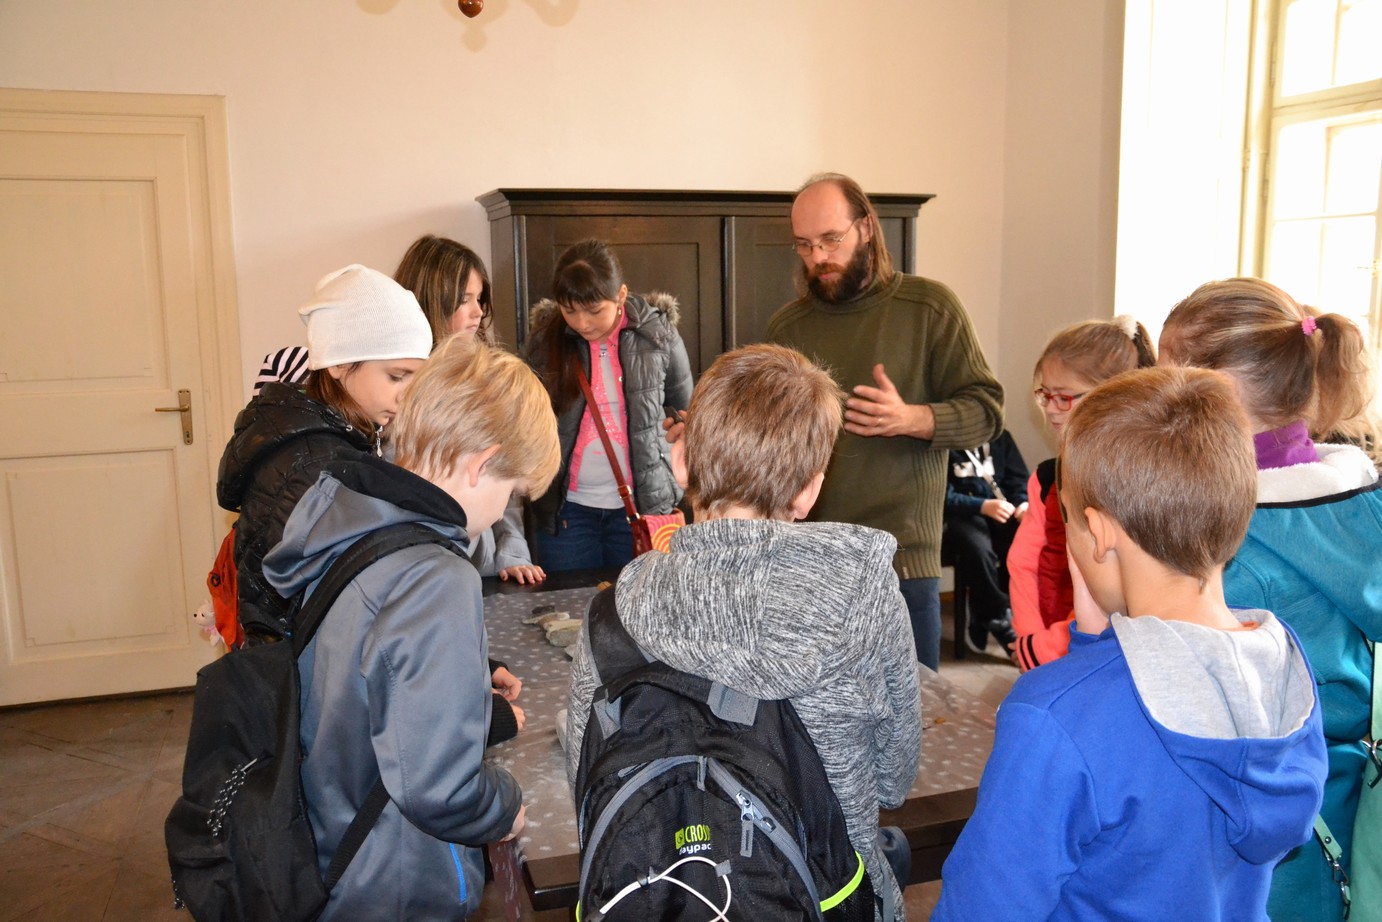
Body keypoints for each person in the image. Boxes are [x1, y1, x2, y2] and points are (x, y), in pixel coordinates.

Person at [933, 365, 1327, 921]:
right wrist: (1095, 650)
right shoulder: (1284, 662)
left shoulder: (1053, 713)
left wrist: (1083, 670)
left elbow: (984, 907)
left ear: (1098, 533)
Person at [564, 343, 922, 919]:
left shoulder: (616, 613)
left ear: (680, 463)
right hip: (831, 899)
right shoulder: (865, 590)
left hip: (658, 896)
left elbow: (583, 775)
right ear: (808, 491)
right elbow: (893, 779)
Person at [261, 337, 559, 920]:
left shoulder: (354, 521)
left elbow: (370, 663)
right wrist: (502, 807)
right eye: (510, 493)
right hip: (394, 876)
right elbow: (438, 787)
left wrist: (464, 677)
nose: (502, 512)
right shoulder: (437, 577)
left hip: (336, 836)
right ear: (481, 464)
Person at [1159, 277, 1382, 922]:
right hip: (1337, 796)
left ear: (1209, 392)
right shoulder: (1355, 505)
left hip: (1259, 833)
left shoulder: (1236, 545)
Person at [764, 172, 1003, 670]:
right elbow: (770, 436)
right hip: (811, 560)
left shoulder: (930, 308)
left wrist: (914, 418)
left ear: (867, 228)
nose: (818, 257)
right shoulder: (787, 327)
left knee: (912, 709)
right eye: (804, 245)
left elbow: (987, 411)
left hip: (903, 562)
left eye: (831, 239)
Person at [218, 264, 434, 645]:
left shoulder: (341, 437)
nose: (407, 396)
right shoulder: (313, 467)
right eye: (396, 376)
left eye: (416, 379)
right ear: (339, 364)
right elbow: (315, 604)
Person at [524, 238, 693, 571]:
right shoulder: (545, 341)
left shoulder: (658, 335)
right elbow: (524, 418)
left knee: (641, 600)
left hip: (643, 507)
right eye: (570, 310)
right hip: (567, 511)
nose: (582, 323)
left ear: (621, 295)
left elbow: (686, 408)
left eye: (594, 310)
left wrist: (682, 430)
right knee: (568, 601)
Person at [1007, 316, 1157, 671]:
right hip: (1047, 650)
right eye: (1045, 394)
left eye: (1063, 397)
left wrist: (1047, 647)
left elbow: (1117, 591)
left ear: (1115, 396)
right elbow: (1022, 563)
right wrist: (1030, 641)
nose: (1050, 409)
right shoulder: (1047, 477)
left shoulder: (1140, 483)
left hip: (1107, 655)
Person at [392, 234, 543, 585]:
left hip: (485, 567)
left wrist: (513, 551)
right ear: (431, 299)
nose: (478, 312)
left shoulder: (485, 373)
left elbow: (508, 468)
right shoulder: (398, 382)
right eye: (464, 300)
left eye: (479, 299)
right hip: (427, 569)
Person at [943, 430, 1028, 654]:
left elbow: (1018, 479)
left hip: (1001, 510)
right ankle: (997, 616)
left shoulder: (1001, 437)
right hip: (962, 515)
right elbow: (940, 496)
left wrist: (1022, 504)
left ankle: (986, 611)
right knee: (978, 550)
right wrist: (982, 506)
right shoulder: (943, 441)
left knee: (1023, 545)